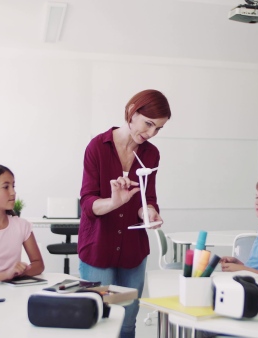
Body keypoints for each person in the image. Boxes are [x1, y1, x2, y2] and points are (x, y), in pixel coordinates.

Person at [79, 89, 171, 338]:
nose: (151, 133)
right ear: (132, 111)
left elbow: (147, 198)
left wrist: (149, 213)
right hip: (98, 248)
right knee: (99, 325)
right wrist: (113, 202)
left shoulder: (151, 154)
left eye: (158, 129)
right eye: (149, 124)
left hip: (133, 251)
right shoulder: (98, 146)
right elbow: (87, 202)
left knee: (127, 323)